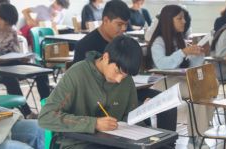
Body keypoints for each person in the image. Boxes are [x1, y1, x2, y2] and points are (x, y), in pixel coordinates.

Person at [73, 0, 177, 136]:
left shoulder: (124, 42)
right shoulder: (85, 45)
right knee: (140, 110)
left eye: (126, 25)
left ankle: (166, 144)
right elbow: (82, 84)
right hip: (102, 98)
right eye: (119, 24)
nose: (123, 29)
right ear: (105, 20)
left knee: (164, 104)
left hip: (128, 90)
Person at [39, 35, 142, 148]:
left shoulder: (126, 80)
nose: (119, 80)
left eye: (124, 75)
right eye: (117, 71)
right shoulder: (77, 74)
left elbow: (130, 118)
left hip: (115, 142)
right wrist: (94, 123)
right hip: (78, 143)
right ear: (106, 57)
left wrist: (143, 111)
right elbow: (46, 117)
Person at [146, 4, 211, 142]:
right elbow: (163, 64)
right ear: (169, 20)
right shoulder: (159, 41)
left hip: (177, 82)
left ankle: (199, 135)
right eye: (180, 18)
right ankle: (197, 137)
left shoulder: (178, 40)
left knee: (208, 89)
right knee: (200, 90)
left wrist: (199, 54)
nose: (184, 21)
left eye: (184, 18)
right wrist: (183, 52)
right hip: (160, 84)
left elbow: (192, 67)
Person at [0, 3, 50, 118]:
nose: (8, 27)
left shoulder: (11, 30)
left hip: (11, 64)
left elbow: (15, 52)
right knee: (10, 79)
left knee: (41, 72)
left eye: (11, 24)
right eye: (6, 24)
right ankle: (28, 113)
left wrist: (22, 57)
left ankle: (48, 110)